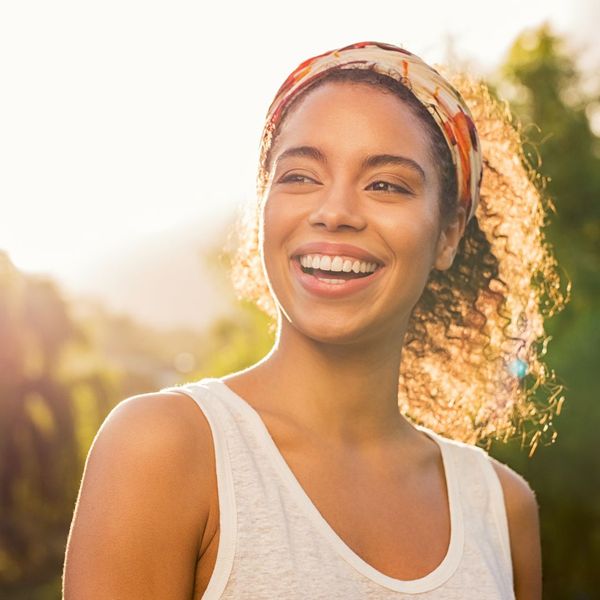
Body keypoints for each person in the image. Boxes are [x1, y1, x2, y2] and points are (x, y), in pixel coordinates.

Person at [63, 41, 567, 599]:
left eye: (386, 185)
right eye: (300, 176)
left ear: (447, 233)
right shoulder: (164, 449)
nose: (334, 212)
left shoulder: (501, 508)